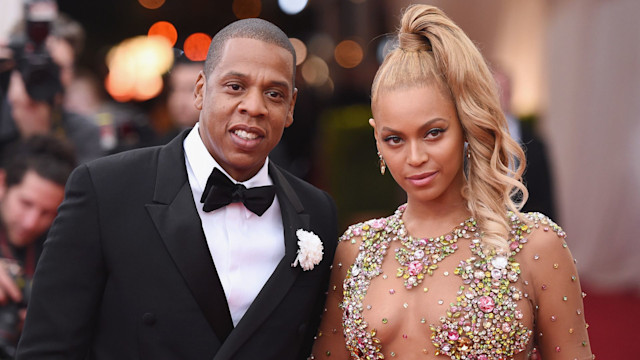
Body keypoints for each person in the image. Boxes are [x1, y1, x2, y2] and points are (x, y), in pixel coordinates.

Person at [16, 18, 338, 360]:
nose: (254, 107)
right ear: (200, 90)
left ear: (290, 108)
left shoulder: (317, 213)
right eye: (235, 86)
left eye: (274, 94)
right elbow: (47, 350)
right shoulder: (106, 190)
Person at [311, 5, 593, 360]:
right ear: (377, 138)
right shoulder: (354, 249)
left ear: (466, 126)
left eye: (433, 133)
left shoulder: (536, 246)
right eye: (395, 139)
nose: (414, 158)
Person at [0, 134, 76, 357]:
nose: (31, 222)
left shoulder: (62, 245)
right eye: (26, 203)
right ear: (2, 183)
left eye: (47, 212)